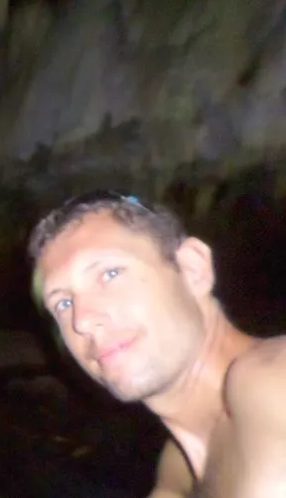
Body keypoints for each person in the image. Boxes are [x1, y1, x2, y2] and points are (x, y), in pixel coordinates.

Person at [26, 190, 286, 498]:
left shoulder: (269, 379)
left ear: (192, 269)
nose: (82, 320)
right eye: (64, 303)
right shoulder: (177, 467)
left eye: (110, 273)